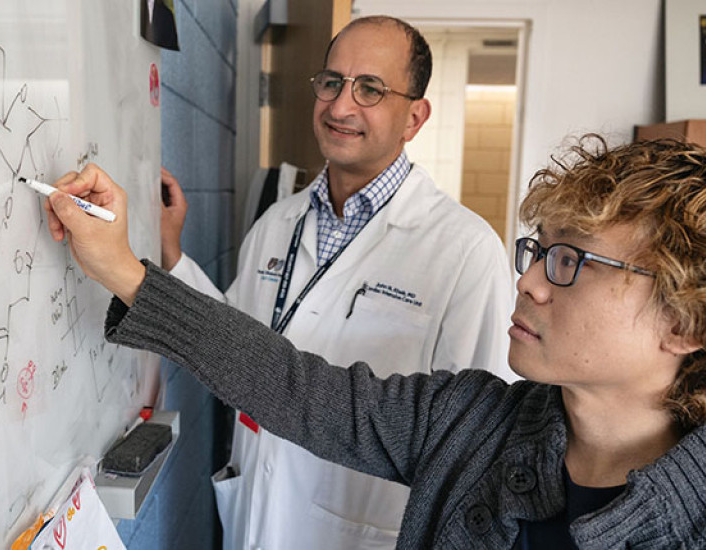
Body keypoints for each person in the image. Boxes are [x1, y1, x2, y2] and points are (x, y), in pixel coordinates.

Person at [46, 134, 706, 548]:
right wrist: (123, 269)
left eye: (570, 261)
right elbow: (292, 386)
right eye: (539, 252)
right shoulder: (471, 421)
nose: (529, 281)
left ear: (684, 324)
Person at [158, 15, 513, 549]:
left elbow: (478, 442)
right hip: (258, 517)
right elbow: (230, 348)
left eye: (370, 88)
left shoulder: (466, 251)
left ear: (414, 117)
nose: (341, 106)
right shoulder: (277, 223)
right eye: (331, 82)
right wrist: (171, 252)